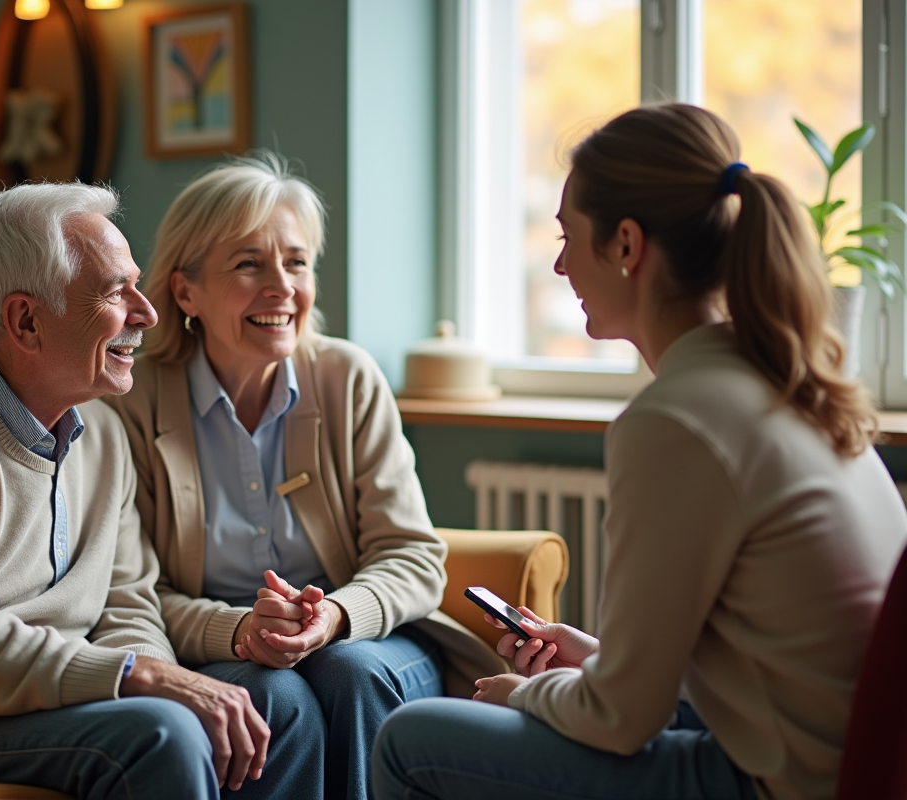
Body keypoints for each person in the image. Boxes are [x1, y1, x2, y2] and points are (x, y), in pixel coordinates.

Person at [371, 103, 907, 800]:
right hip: (823, 759)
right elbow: (757, 664)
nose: (560, 264)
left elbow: (620, 720)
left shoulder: (677, 420)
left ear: (626, 244)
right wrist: (596, 660)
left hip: (779, 784)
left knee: (409, 740)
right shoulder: (782, 385)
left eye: (569, 237)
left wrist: (526, 697)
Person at [0, 182, 322, 800]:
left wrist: (154, 673)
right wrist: (143, 677)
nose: (146, 311)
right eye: (113, 292)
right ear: (25, 320)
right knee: (160, 734)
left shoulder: (99, 425)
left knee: (281, 704)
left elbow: (127, 602)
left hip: (56, 693)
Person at [106, 153, 505, 800]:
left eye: (296, 262)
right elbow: (131, 593)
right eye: (248, 264)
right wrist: (241, 631)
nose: (282, 287)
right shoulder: (131, 402)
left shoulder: (347, 379)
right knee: (269, 690)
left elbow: (413, 558)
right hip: (222, 648)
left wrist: (335, 617)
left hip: (363, 642)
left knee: (348, 672)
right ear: (185, 292)